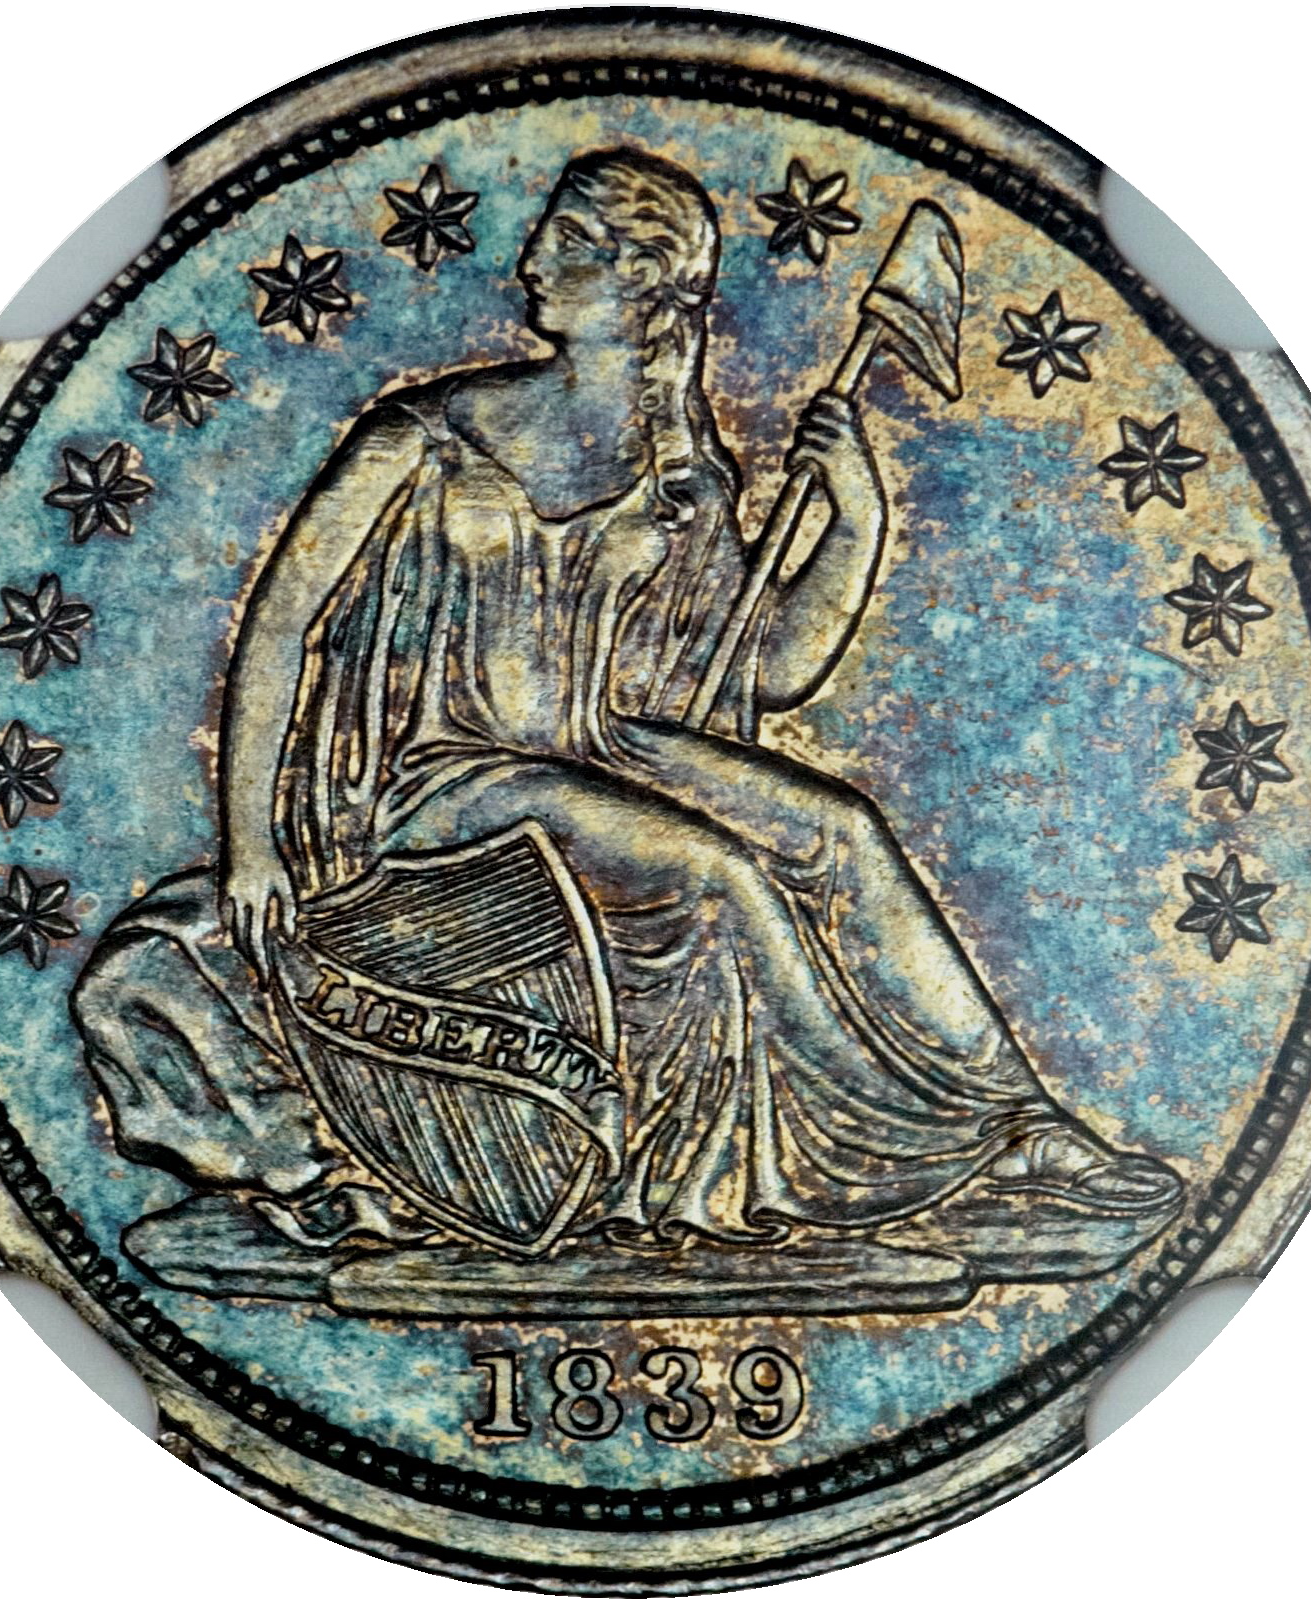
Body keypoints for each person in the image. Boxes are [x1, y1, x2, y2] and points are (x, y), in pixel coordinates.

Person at [74, 148, 1180, 1277]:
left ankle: (1017, 1126)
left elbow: (772, 669)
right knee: (715, 870)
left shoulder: (682, 475)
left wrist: (858, 521)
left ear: (645, 284)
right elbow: (277, 627)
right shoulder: (421, 435)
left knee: (840, 827)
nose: (531, 261)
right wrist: (252, 844)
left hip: (609, 755)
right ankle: (895, 1157)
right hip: (437, 783)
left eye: (570, 242)